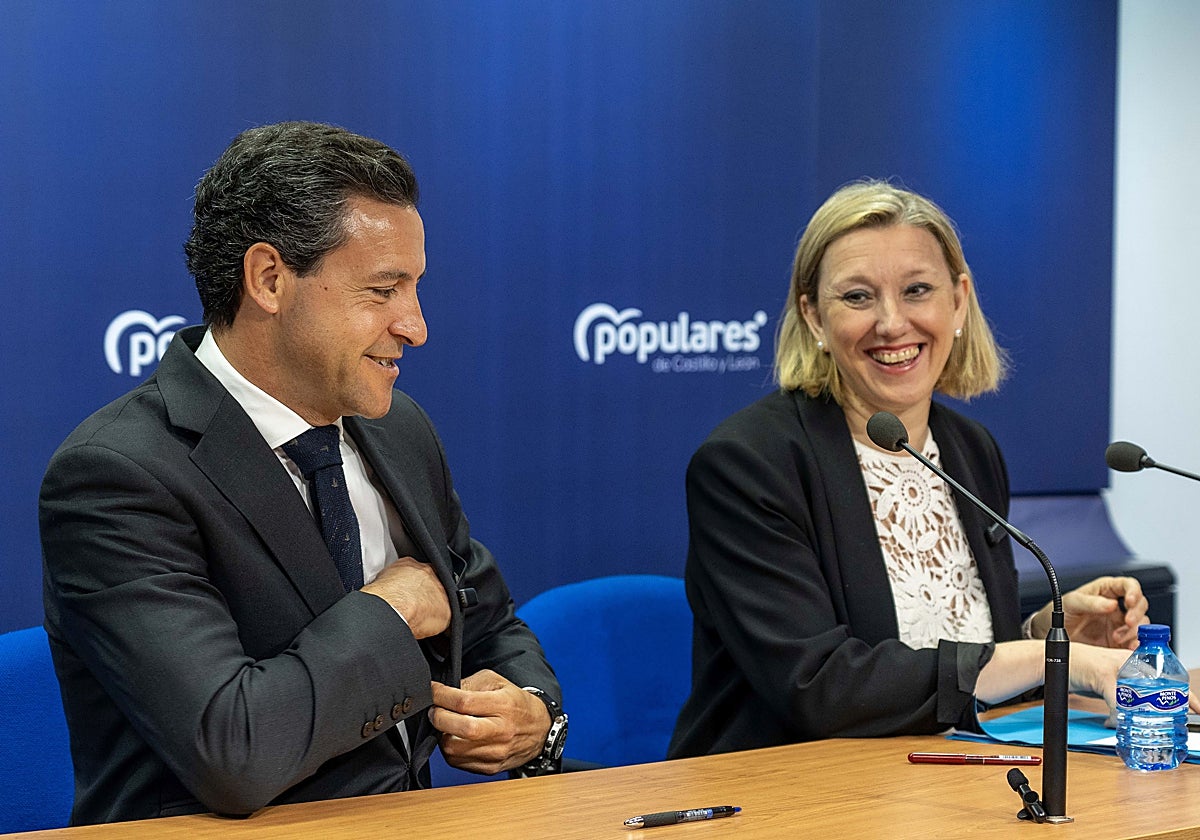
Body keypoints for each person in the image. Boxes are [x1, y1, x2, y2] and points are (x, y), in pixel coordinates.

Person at [39, 121, 567, 825]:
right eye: (383, 290)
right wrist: (392, 609)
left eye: (414, 287)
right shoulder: (117, 476)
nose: (416, 325)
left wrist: (532, 713)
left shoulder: (398, 427)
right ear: (269, 279)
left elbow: (489, 622)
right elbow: (233, 748)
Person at [668, 179, 1199, 758]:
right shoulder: (748, 464)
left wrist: (1042, 633)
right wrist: (1057, 664)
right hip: (787, 791)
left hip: (948, 776)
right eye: (857, 297)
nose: (892, 323)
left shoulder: (969, 449)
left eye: (918, 289)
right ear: (814, 318)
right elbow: (821, 687)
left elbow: (944, 661)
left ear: (959, 301)